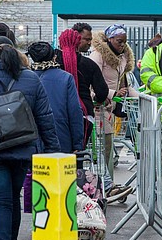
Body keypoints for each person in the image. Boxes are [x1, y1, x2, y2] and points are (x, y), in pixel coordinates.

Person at [0, 37, 60, 240]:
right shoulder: (31, 78)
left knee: (1, 201)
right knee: (13, 198)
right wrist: (52, 150)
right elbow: (45, 117)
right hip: (23, 145)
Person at [88, 24, 139, 201]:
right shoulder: (97, 56)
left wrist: (141, 97)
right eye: (119, 41)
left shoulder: (123, 57)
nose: (123, 45)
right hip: (98, 107)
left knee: (107, 149)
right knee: (104, 148)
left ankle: (107, 186)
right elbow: (90, 85)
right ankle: (105, 187)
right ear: (109, 39)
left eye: (125, 41)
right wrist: (112, 94)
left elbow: (124, 85)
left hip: (110, 108)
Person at [55, 24, 108, 146]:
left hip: (58, 113)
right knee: (78, 155)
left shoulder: (53, 62)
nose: (90, 43)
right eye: (87, 39)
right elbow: (102, 92)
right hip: (84, 113)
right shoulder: (89, 64)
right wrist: (97, 99)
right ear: (77, 38)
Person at [28, 41, 85, 153]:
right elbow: (75, 111)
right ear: (54, 57)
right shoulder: (66, 78)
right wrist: (77, 144)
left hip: (31, 140)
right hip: (61, 137)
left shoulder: (25, 78)